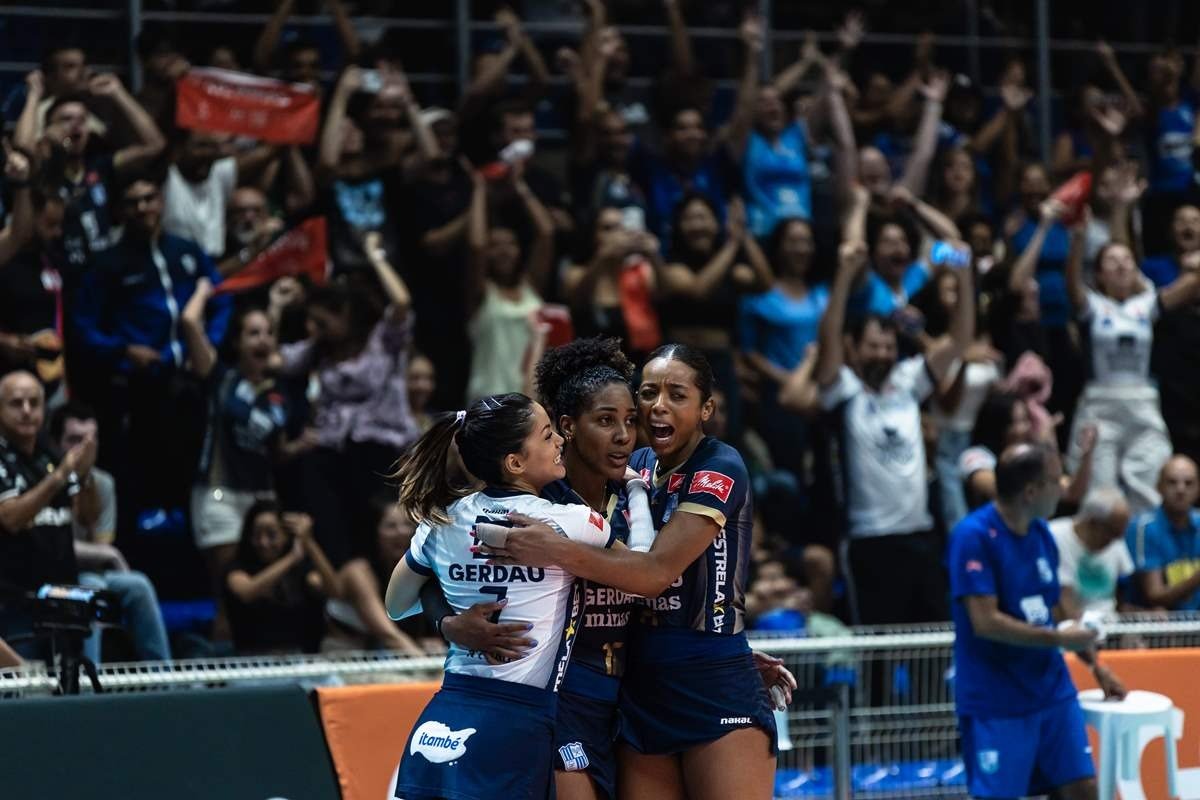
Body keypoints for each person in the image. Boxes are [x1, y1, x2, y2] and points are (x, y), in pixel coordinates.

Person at [479, 344, 786, 800]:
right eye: (649, 392)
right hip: (638, 686)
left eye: (677, 395)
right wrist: (451, 622)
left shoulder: (719, 466)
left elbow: (655, 573)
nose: (658, 406)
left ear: (706, 409)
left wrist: (726, 645)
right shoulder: (633, 467)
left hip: (713, 679)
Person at [383, 393, 649, 800]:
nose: (559, 440)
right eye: (546, 436)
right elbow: (642, 568)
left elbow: (397, 604)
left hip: (443, 716)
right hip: (515, 723)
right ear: (515, 463)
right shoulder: (569, 522)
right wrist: (636, 490)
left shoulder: (443, 520)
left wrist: (448, 623)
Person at [814, 230, 974, 625]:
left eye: (888, 346)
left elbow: (960, 340)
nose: (883, 354)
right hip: (870, 542)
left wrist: (966, 276)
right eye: (873, 346)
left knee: (931, 646)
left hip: (920, 535)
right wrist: (844, 278)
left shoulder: (908, 382)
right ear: (855, 349)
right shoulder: (844, 389)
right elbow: (829, 337)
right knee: (879, 655)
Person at [950, 443, 1126, 800]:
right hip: (997, 700)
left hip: (1051, 692)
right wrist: (1059, 641)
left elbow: (1057, 609)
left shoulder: (1041, 533)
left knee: (1083, 790)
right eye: (1054, 480)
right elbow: (985, 622)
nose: (1063, 486)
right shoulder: (974, 536)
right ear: (1031, 492)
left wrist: (1095, 664)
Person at [279, 233, 422, 654]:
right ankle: (379, 634)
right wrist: (275, 307)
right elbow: (272, 359)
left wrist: (375, 255)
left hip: (384, 458)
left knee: (395, 537)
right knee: (348, 549)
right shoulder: (319, 350)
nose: (314, 329)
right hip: (334, 461)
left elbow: (402, 303)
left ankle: (416, 630)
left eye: (322, 320)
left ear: (346, 314)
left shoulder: (382, 340)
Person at [1059, 204, 1200, 513]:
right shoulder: (1092, 306)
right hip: (1100, 407)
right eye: (1112, 261)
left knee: (1150, 495)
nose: (1121, 265)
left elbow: (1190, 286)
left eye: (1127, 260)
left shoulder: (1147, 304)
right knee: (1099, 503)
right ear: (1099, 274)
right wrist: (1079, 239)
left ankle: (1144, 556)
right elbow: (1071, 284)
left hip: (1143, 406)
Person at [49, 402, 172, 663]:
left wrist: (85, 484)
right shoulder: (45, 481)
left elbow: (99, 544)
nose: (84, 449)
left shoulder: (103, 482)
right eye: (74, 440)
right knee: (92, 588)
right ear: (56, 442)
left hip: (89, 571)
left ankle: (165, 679)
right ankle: (89, 688)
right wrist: (111, 554)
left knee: (138, 584)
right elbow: (56, 547)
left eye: (90, 440)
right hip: (55, 574)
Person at [0, 371, 99, 658]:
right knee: (27, 695)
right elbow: (10, 518)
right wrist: (60, 476)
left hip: (62, 599)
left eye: (34, 402)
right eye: (16, 403)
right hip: (18, 603)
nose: (27, 411)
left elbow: (87, 517)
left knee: (69, 693)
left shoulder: (49, 453)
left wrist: (86, 475)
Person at [463, 157, 554, 402]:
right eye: (496, 245)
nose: (504, 250)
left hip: (529, 399)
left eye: (510, 244)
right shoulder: (481, 292)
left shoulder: (530, 287)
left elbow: (546, 232)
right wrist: (480, 189)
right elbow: (476, 245)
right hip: (489, 401)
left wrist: (520, 187)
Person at [224, 503, 340, 655]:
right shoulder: (237, 568)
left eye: (271, 534)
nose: (263, 542)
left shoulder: (301, 570)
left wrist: (308, 540)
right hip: (252, 663)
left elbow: (333, 590)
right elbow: (247, 592)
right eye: (256, 535)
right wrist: (292, 557)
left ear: (286, 535)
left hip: (299, 661)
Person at [1049, 487, 1135, 619]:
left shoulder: (1116, 538)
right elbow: (1062, 602)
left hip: (1110, 625)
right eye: (1113, 533)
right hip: (1072, 627)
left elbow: (1123, 599)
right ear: (1093, 523)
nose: (1117, 540)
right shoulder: (1054, 535)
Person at [1127, 455, 1200, 611]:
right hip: (1155, 626)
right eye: (1172, 482)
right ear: (1158, 486)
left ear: (1198, 489)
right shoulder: (1144, 528)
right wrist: (1196, 579)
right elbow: (1155, 595)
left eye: (1188, 483)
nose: (1181, 489)